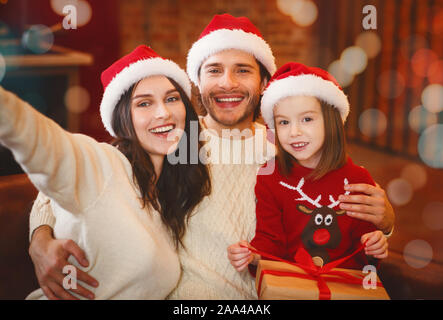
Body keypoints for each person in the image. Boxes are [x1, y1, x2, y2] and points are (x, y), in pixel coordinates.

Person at [27, 14, 395, 300]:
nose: (228, 83)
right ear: (197, 84)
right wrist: (39, 242)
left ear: (263, 84)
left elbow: (340, 212)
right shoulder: (174, 137)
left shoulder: (286, 149)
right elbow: (73, 177)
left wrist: (387, 218)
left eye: (243, 71)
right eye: (214, 71)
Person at [0, 45, 211, 299]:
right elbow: (41, 142)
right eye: (144, 103)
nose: (163, 113)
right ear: (122, 117)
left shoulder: (167, 193)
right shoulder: (104, 164)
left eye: (172, 98)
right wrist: (39, 236)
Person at [227, 62, 388, 275]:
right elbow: (270, 240)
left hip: (343, 288)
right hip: (292, 288)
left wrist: (374, 244)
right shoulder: (271, 177)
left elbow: (364, 249)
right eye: (283, 122)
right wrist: (252, 255)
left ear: (331, 121)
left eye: (307, 119)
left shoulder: (358, 180)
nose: (294, 132)